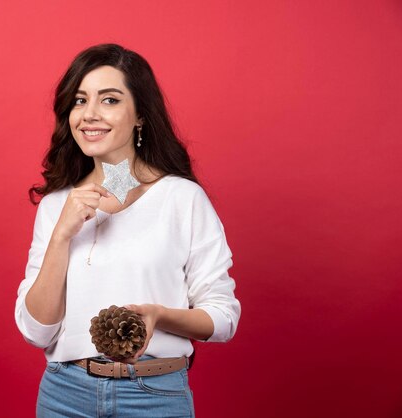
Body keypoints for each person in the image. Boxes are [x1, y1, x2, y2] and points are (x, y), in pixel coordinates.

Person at [15, 43, 240, 418]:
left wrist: (158, 315)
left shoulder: (181, 198)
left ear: (139, 115)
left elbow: (223, 318)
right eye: (79, 100)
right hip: (64, 395)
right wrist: (61, 236)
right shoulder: (58, 205)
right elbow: (36, 332)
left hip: (154, 395)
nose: (89, 115)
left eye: (109, 100)